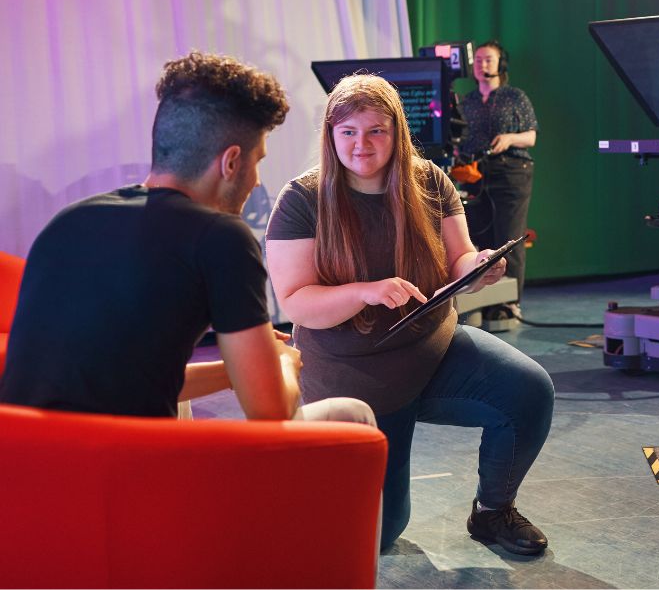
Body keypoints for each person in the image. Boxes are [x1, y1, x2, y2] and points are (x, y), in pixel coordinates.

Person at [264, 74, 554, 556]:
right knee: (379, 535)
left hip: (431, 350)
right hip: (353, 378)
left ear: (397, 132)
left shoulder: (429, 181)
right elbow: (296, 302)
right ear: (331, 135)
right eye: (349, 132)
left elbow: (457, 258)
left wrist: (477, 267)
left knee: (528, 390)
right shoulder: (301, 199)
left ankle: (492, 511)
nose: (362, 144)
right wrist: (366, 292)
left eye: (376, 130)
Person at [0, 52, 373, 426]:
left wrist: (235, 369)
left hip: (30, 466)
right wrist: (283, 362)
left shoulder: (69, 222)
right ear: (230, 163)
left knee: (180, 406)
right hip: (131, 468)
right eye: (257, 161)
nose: (257, 181)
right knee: (351, 414)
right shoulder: (220, 237)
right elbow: (270, 410)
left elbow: (125, 384)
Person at [458, 40, 538, 316]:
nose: (482, 65)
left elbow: (531, 136)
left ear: (500, 64)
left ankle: (510, 301)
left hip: (511, 172)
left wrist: (509, 138)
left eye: (488, 59)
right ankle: (485, 297)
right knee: (480, 236)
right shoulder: (466, 101)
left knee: (509, 235)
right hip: (476, 175)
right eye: (478, 60)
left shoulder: (515, 97)